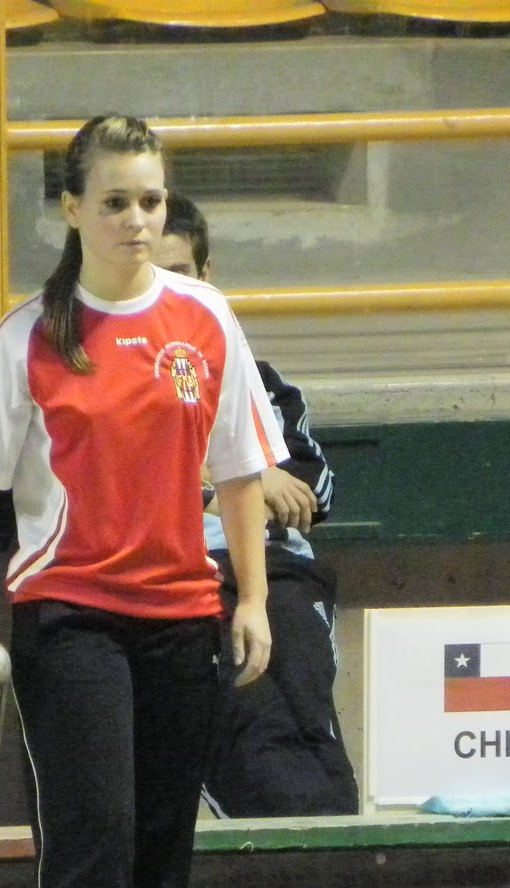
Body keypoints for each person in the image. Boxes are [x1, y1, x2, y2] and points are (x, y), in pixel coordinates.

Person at [0, 115, 285, 888]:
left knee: (163, 842)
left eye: (152, 200)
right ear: (72, 208)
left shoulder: (207, 318)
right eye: (118, 201)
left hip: (183, 614)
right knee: (93, 829)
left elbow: (238, 473)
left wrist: (251, 598)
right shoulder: (24, 338)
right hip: (69, 615)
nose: (138, 219)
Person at [155, 194, 360, 818]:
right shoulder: (111, 376)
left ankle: (338, 855)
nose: (167, 288)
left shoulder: (256, 379)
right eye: (152, 275)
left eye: (180, 272)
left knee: (308, 716)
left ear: (206, 277)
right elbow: (127, 491)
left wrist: (248, 479)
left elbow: (309, 494)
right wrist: (236, 481)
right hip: (180, 580)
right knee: (249, 721)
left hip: (282, 575)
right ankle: (276, 863)